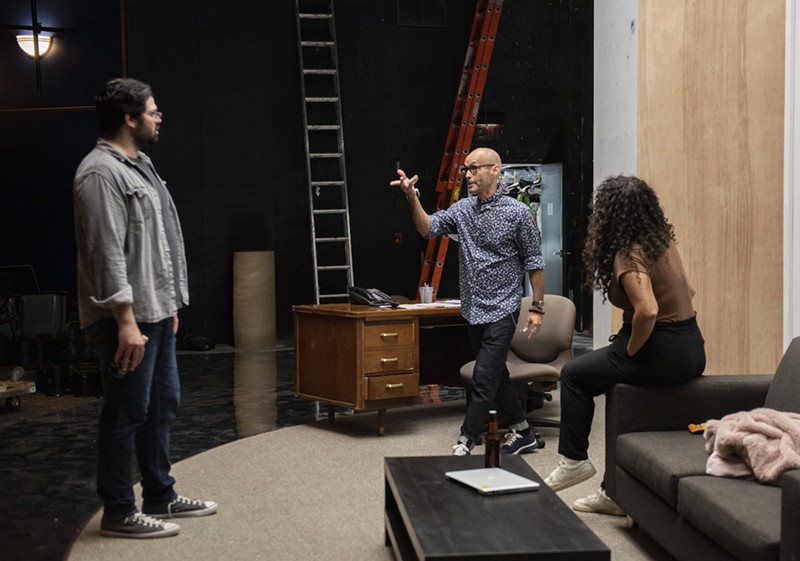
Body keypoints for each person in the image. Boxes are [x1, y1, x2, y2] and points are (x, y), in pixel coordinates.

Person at [73, 78, 217, 538]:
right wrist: (126, 322)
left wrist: (169, 302)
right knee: (125, 412)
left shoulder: (142, 165)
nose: (159, 117)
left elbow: (159, 243)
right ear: (129, 119)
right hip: (125, 321)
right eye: (152, 112)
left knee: (161, 406)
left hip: (155, 311)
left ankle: (160, 494)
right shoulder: (99, 173)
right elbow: (107, 253)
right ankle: (119, 510)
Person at [543, 175, 706, 515]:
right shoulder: (660, 242)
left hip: (661, 351)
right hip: (691, 347)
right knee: (619, 390)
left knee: (574, 374)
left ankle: (574, 461)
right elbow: (689, 294)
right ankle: (614, 493)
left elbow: (648, 309)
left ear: (610, 215)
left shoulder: (628, 253)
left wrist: (631, 348)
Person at [390, 147, 545, 456]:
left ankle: (466, 439)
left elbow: (535, 263)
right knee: (496, 373)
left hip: (503, 308)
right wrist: (411, 197)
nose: (468, 175)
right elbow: (427, 228)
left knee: (483, 377)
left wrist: (538, 307)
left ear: (495, 170)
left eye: (474, 169)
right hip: (473, 311)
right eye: (465, 170)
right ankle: (524, 432)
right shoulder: (462, 210)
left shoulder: (517, 213)